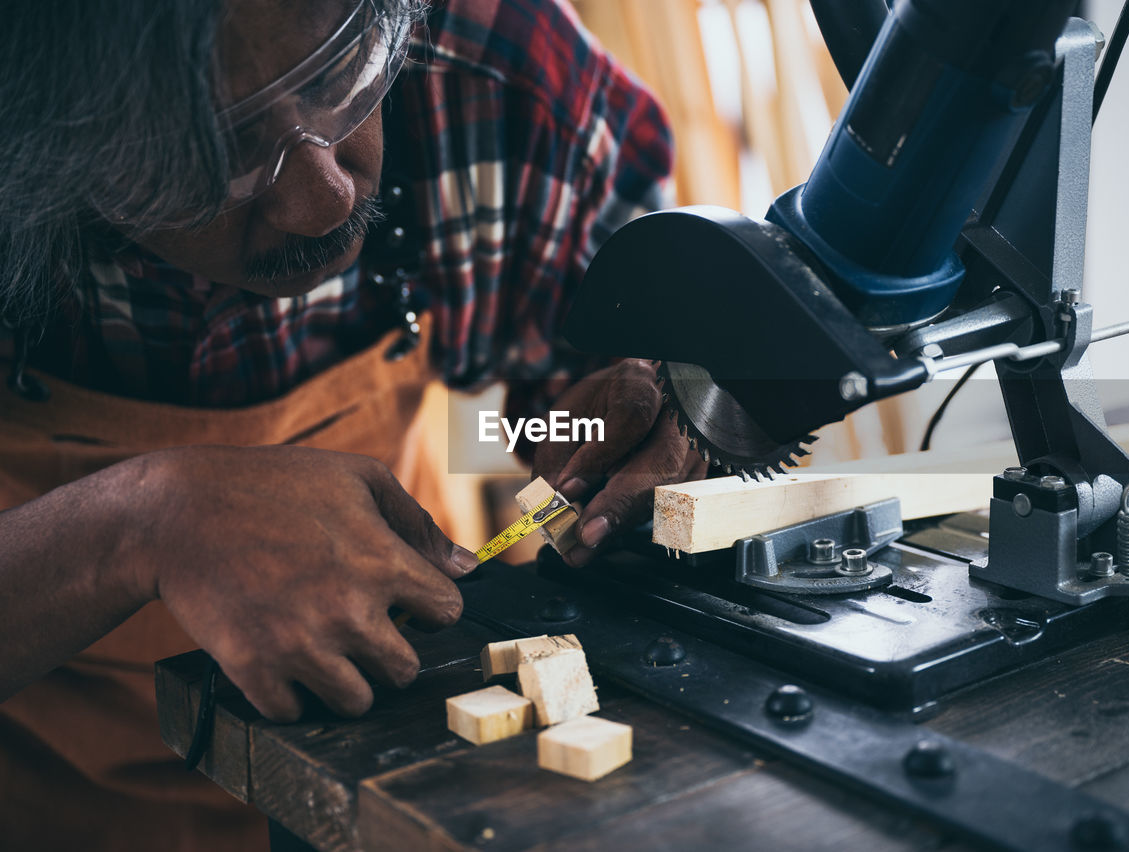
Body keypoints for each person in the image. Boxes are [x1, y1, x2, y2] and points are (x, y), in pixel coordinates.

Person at [0, 0, 705, 848]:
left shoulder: (497, 71)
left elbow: (551, 430)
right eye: (214, 153)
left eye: (340, 80)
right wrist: (135, 525)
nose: (323, 197)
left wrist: (621, 431)